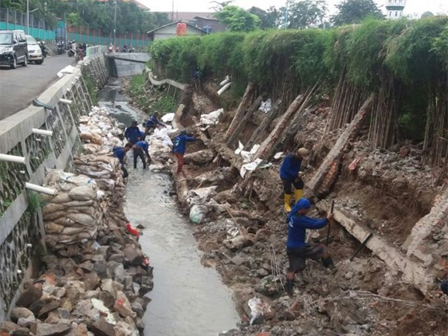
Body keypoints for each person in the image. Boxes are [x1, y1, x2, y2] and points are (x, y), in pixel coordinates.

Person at [285, 198, 335, 296]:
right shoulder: (300, 219)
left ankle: (289, 290)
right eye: (307, 209)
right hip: (299, 248)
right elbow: (314, 225)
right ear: (302, 209)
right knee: (322, 248)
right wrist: (327, 220)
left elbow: (311, 220)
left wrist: (325, 219)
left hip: (290, 247)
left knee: (293, 268)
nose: (308, 210)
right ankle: (331, 267)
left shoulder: (293, 215)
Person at [280, 148, 309, 212]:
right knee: (287, 189)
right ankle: (286, 205)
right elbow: (287, 170)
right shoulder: (289, 158)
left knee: (300, 184)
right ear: (298, 154)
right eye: (302, 157)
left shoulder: (299, 159)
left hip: (294, 174)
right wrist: (296, 174)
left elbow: (297, 166)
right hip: (285, 175)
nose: (302, 158)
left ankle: (298, 202)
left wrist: (298, 174)